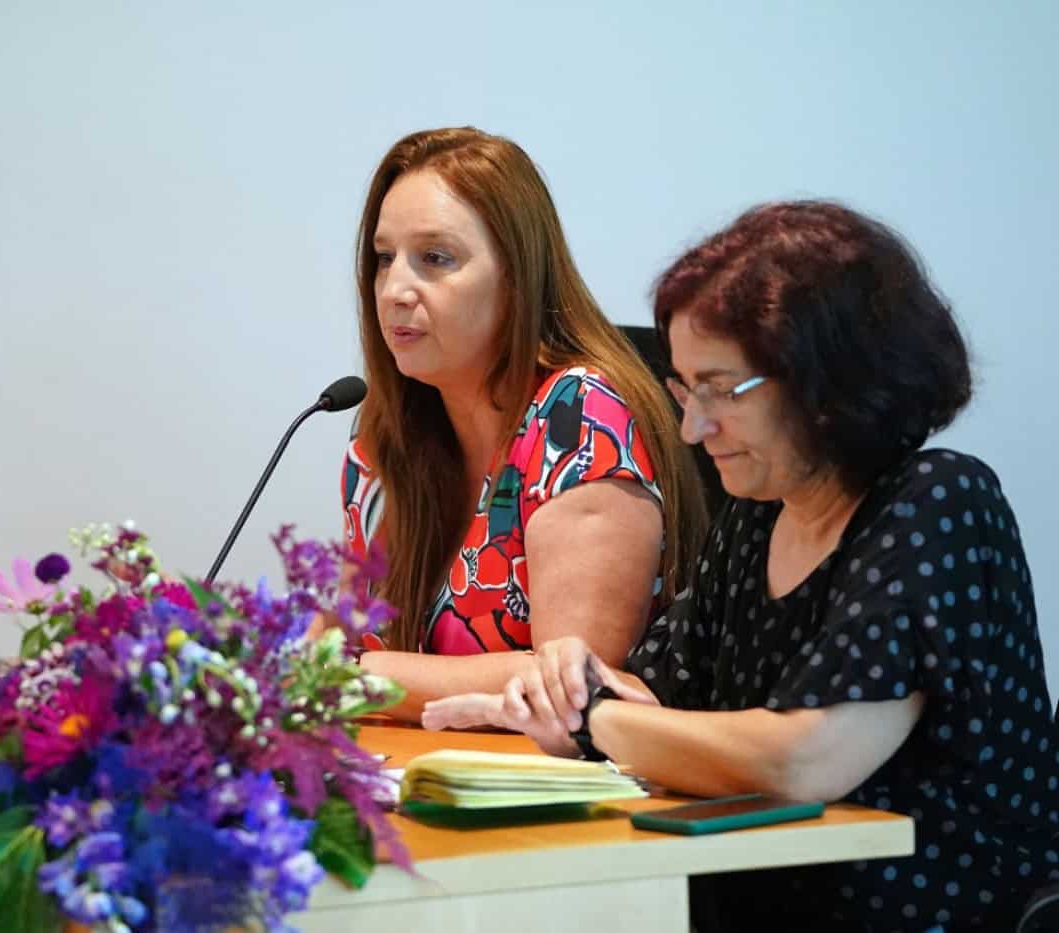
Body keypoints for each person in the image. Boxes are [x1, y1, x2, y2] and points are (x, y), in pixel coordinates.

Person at [423, 200, 1059, 931]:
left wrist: (591, 720)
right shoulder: (760, 512)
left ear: (830, 380)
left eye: (722, 390)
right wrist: (556, 689)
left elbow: (802, 759)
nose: (694, 427)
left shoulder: (939, 501)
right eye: (687, 391)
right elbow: (658, 701)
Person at [343, 127, 708, 721]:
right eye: (385, 259)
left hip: (562, 799)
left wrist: (360, 677)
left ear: (517, 277)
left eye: (435, 258)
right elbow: (327, 647)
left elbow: (573, 682)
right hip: (412, 777)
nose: (395, 289)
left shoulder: (578, 416)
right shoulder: (381, 441)